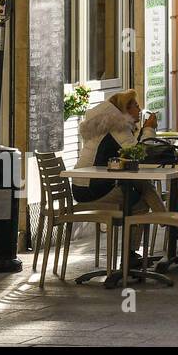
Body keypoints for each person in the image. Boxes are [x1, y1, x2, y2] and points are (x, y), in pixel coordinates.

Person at [72, 90, 167, 259]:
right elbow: (140, 153)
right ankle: (132, 254)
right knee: (140, 204)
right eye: (136, 106)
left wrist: (142, 130)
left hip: (85, 186)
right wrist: (149, 129)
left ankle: (168, 225)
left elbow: (132, 153)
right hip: (91, 190)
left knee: (141, 186)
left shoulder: (108, 123)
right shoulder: (116, 125)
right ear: (125, 109)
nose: (140, 109)